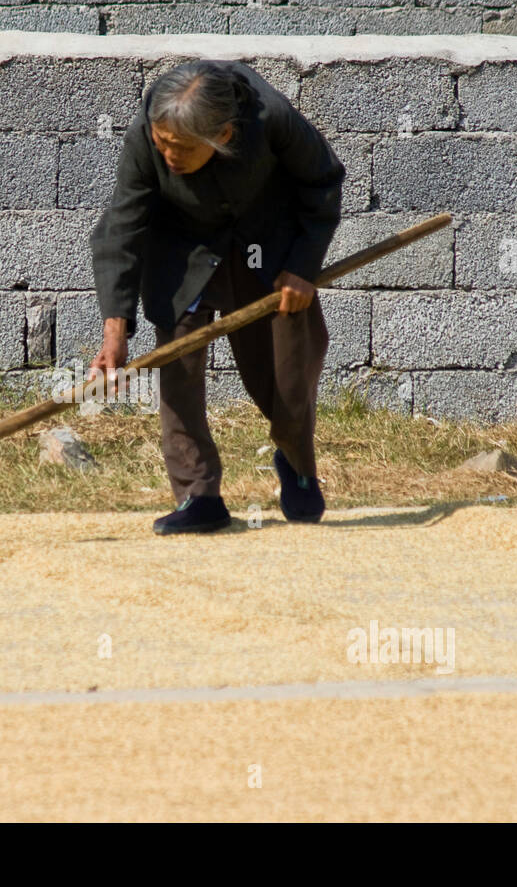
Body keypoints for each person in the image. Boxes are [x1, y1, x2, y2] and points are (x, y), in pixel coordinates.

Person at [89, 59, 346, 535]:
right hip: (183, 254)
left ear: (224, 136)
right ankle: (198, 497)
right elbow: (122, 225)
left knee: (287, 375)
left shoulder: (273, 118)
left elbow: (323, 181)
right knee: (179, 374)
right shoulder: (150, 129)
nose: (168, 155)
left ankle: (297, 463)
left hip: (266, 251)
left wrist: (303, 268)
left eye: (182, 148)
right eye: (162, 143)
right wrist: (115, 328)